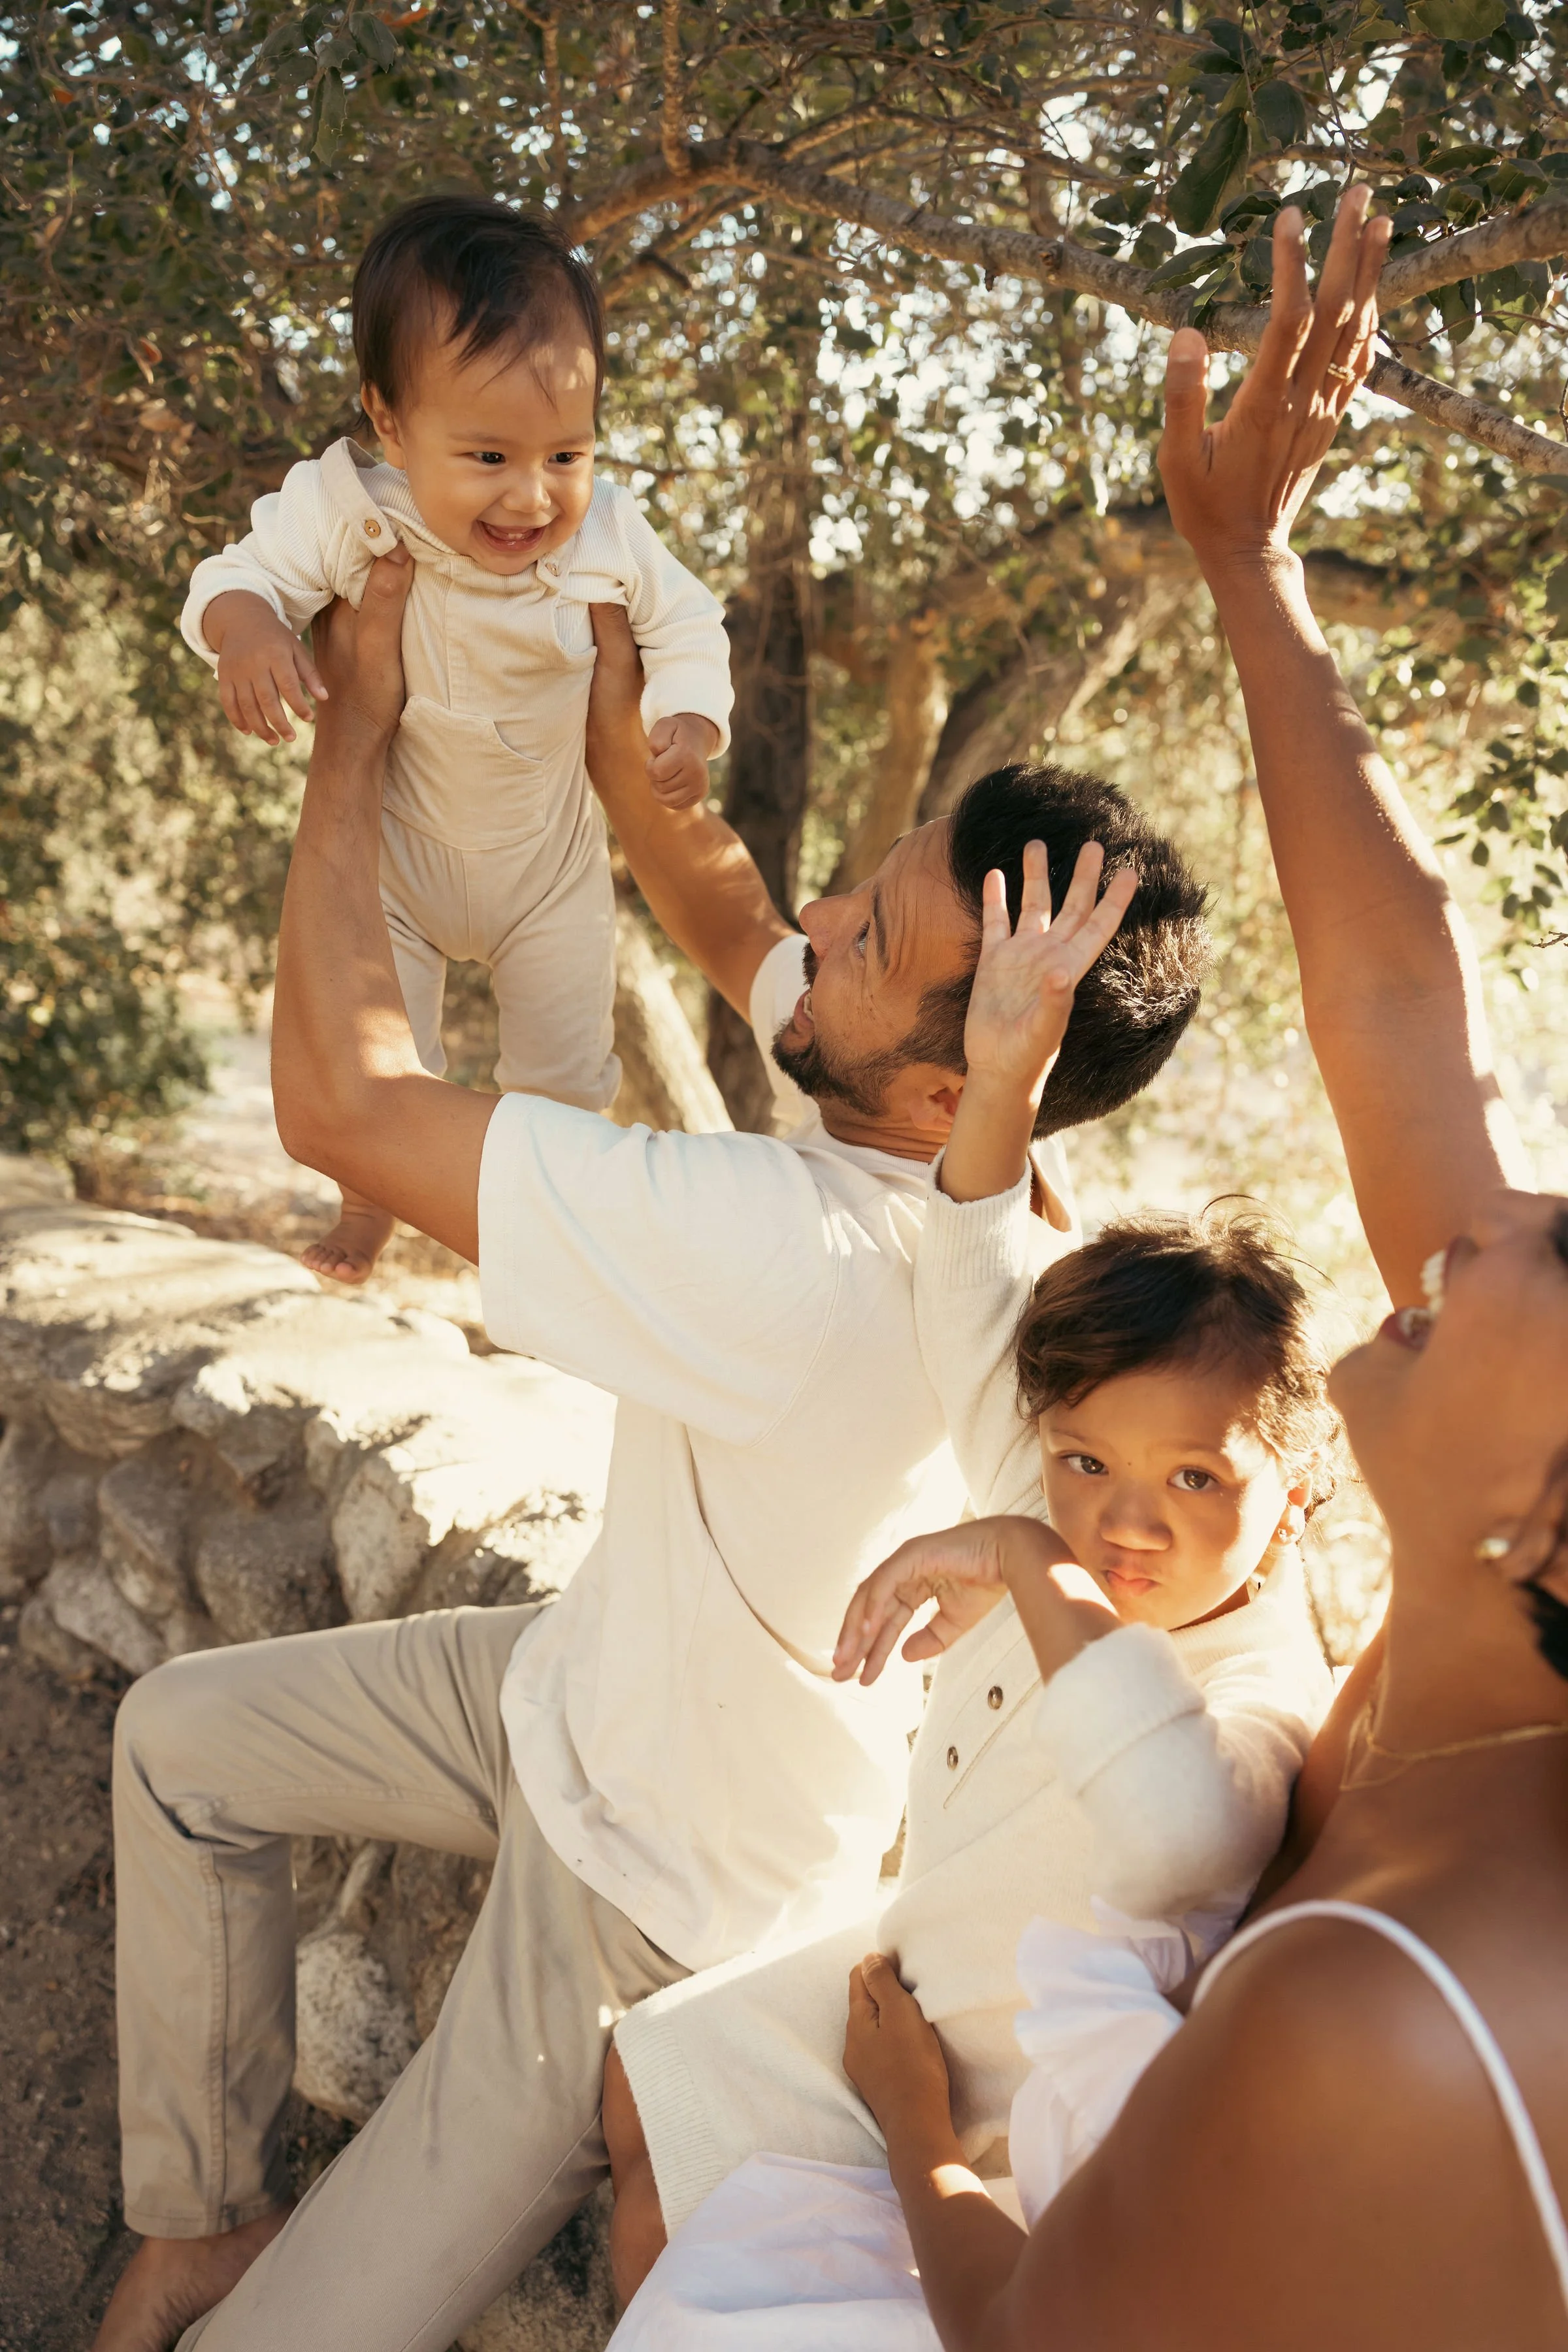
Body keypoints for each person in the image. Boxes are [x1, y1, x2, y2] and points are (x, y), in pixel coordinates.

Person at [93, 450, 1210, 2344]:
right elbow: (736, 923)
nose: (827, 913)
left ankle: (247, 2300)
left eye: (869, 932)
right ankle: (200, 2216)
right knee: (177, 1742)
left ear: (958, 1083)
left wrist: (353, 736)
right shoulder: (973, 1182)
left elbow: (338, 1109)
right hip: (561, 1693)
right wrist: (625, 735)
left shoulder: (791, 1247)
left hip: (649, 1903)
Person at [621, 189, 1568, 2352]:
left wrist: (923, 2145)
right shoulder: (1466, 1629)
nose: (1473, 1209)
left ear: (1551, 1517)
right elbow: (1413, 1021)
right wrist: (1253, 569)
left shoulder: (1393, 1998)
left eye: (1536, 1256)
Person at [601, 855, 1341, 2305]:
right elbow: (973, 1280)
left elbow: (1173, 1833)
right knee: (640, 2094)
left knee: (702, 2222)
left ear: (1298, 1493)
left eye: (1196, 1479)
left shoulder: (1259, 1698)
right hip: (913, 1976)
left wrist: (1015, 1553)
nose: (1126, 1522)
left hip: (1006, 2118)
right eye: (1082, 1464)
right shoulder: (1068, 1503)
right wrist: (1003, 1074)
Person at [181, 195, 734, 1282]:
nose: (533, 496)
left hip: (548, 871)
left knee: (567, 1078)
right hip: (401, 859)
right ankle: (369, 1205)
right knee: (386, 1062)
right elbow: (234, 577)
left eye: (566, 454)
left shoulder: (611, 533)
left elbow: (688, 621)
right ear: (390, 423)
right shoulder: (354, 511)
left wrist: (689, 713)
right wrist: (246, 628)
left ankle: (559, 1239)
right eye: (487, 455)